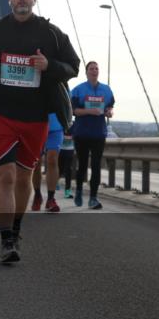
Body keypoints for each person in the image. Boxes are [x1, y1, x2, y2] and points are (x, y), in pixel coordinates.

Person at [0, 0, 79, 263]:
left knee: (26, 177)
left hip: (36, 116)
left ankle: (16, 228)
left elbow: (73, 66)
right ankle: (6, 240)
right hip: (1, 114)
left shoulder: (50, 34)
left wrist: (49, 65)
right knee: (6, 175)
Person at [71, 61, 116, 210]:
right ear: (86, 72)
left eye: (97, 68)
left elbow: (110, 107)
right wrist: (89, 112)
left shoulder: (106, 89)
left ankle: (93, 197)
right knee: (82, 165)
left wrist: (109, 112)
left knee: (96, 166)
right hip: (82, 132)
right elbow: (74, 111)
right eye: (91, 68)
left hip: (98, 133)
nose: (94, 71)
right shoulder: (78, 90)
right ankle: (78, 190)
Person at [32, 111, 65, 212]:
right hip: (35, 125)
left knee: (52, 160)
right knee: (36, 163)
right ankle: (37, 195)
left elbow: (66, 102)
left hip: (56, 127)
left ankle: (51, 198)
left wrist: (66, 121)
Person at [59, 127, 76, 199]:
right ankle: (53, 186)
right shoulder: (60, 121)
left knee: (68, 170)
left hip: (69, 150)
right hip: (60, 149)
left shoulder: (74, 124)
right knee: (60, 169)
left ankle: (67, 191)